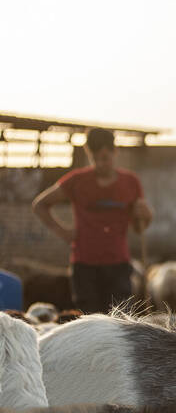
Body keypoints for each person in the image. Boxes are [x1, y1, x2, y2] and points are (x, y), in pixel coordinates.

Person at [32, 128, 152, 313]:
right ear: (89, 154)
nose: (101, 164)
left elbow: (139, 228)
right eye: (95, 159)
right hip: (84, 266)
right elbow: (40, 204)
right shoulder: (76, 181)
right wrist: (63, 231)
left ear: (115, 152)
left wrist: (146, 215)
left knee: (121, 321)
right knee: (89, 321)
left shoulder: (130, 182)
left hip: (118, 265)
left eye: (105, 158)